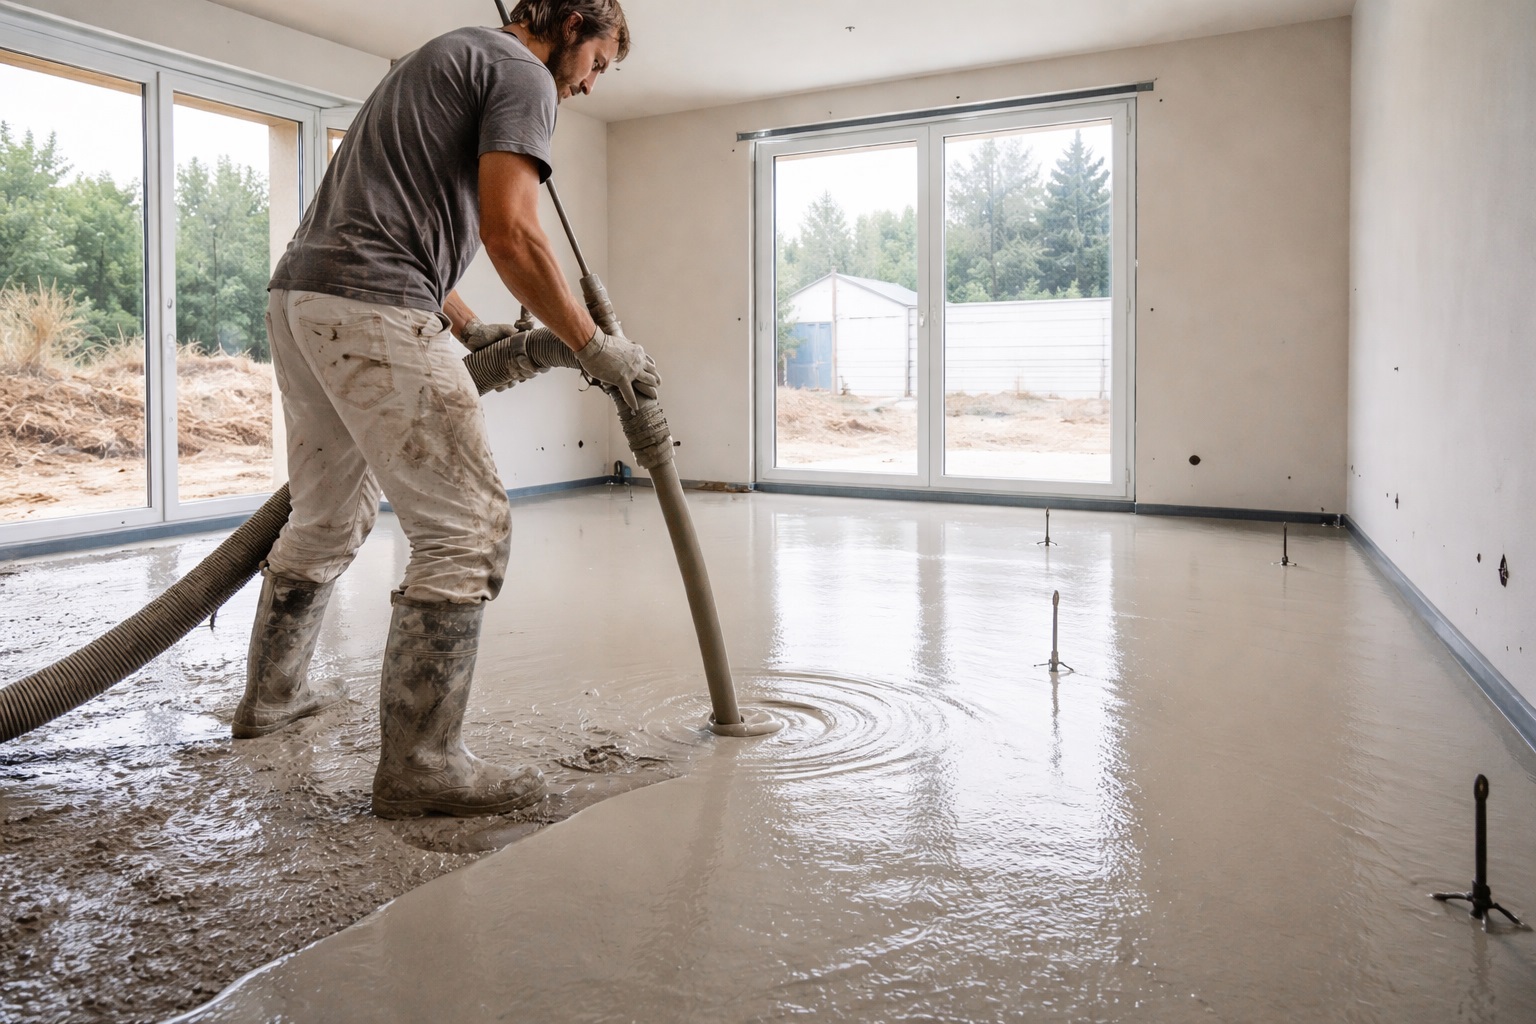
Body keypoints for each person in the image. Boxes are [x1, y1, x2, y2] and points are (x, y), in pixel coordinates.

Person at [231, 0, 656, 820]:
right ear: (571, 25)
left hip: (305, 299)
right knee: (467, 528)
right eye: (598, 63)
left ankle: (271, 702)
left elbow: (395, 219)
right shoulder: (524, 74)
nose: (593, 85)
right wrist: (594, 344)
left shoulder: (437, 59)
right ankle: (423, 766)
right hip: (374, 306)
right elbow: (513, 235)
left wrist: (466, 324)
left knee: (324, 519)